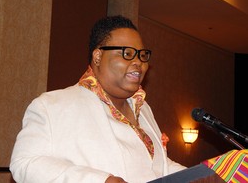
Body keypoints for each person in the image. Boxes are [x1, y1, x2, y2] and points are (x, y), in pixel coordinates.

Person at [10, 15, 186, 183]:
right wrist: (101, 180)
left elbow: (157, 167)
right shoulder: (51, 105)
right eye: (127, 53)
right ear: (98, 56)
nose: (138, 62)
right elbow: (25, 163)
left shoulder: (143, 108)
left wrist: (204, 174)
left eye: (142, 55)